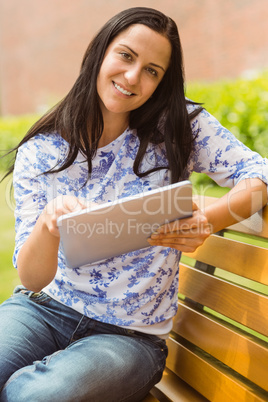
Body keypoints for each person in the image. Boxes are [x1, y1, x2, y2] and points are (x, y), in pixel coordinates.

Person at [0, 6, 267, 402]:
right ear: (100, 52)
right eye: (126, 56)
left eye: (152, 70)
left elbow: (259, 176)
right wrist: (47, 224)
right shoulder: (43, 150)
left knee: (35, 396)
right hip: (42, 309)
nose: (132, 77)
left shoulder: (179, 127)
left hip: (129, 338)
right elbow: (33, 278)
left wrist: (207, 219)